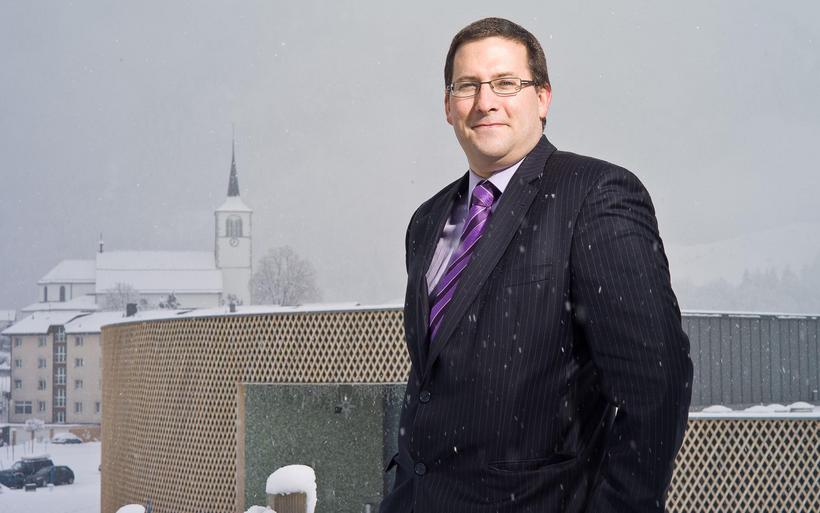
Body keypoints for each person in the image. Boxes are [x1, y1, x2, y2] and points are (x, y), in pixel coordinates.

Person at [380, 17, 693, 513]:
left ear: (543, 98)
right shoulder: (427, 220)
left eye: (506, 83)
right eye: (467, 86)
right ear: (448, 106)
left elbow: (657, 386)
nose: (485, 101)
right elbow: (430, 384)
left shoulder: (593, 195)